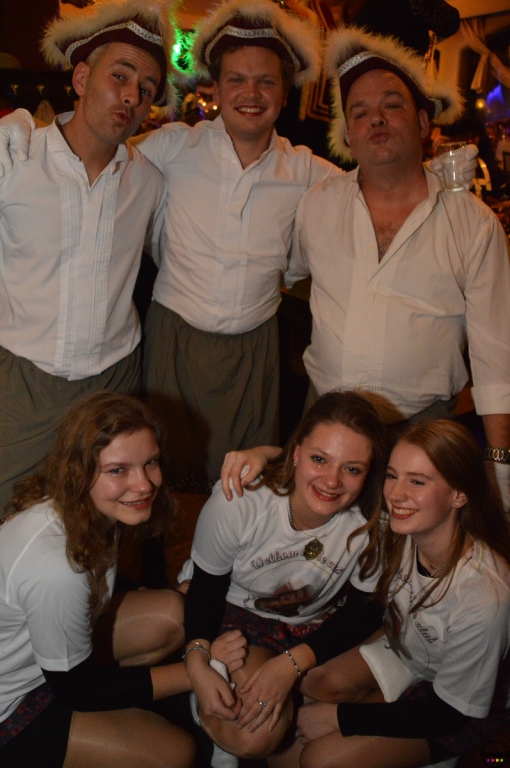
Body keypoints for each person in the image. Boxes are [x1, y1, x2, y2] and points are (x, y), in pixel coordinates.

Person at [287, 27, 510, 508]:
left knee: (410, 547)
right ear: (348, 136)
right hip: (324, 426)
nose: (376, 119)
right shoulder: (316, 205)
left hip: (423, 431)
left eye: (392, 105)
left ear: (424, 122)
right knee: (318, 542)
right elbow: (280, 274)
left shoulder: (473, 224)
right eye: (360, 112)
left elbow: (496, 356)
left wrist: (499, 462)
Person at [0, 390, 247, 768]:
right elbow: (79, 691)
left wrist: (162, 591)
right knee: (175, 753)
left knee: (172, 611)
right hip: (12, 705)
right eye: (118, 470)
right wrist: (198, 671)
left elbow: (98, 582)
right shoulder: (54, 565)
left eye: (151, 462)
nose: (144, 484)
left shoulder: (85, 508)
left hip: (43, 666)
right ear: (79, 469)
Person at [0, 0, 175, 511]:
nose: (132, 96)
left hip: (113, 379)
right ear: (81, 78)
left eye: (146, 89)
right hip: (23, 381)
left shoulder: (148, 181)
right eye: (120, 76)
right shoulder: (16, 157)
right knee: (9, 513)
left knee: (100, 520)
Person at [291, 419, 510, 768]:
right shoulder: (397, 529)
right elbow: (330, 480)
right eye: (392, 476)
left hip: (456, 708)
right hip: (410, 657)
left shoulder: (485, 596)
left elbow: (448, 713)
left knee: (318, 759)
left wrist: (339, 718)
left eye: (417, 481)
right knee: (312, 682)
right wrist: (258, 457)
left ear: (459, 494)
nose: (395, 494)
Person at [181, 391, 388, 760]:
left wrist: (292, 664)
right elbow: (205, 592)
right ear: (295, 451)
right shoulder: (240, 501)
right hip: (237, 617)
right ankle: (209, 705)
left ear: (368, 473)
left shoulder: (373, 522)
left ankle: (294, 699)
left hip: (314, 622)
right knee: (254, 738)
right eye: (319, 459)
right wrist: (198, 657)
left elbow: (365, 609)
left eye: (352, 469)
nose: (332, 481)